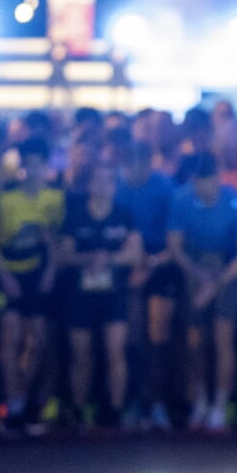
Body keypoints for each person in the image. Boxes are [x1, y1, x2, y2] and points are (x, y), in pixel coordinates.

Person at [169, 153, 237, 433]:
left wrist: (215, 284)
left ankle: (220, 403)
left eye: (209, 181)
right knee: (195, 340)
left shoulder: (234, 202)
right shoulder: (181, 200)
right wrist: (198, 276)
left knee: (223, 335)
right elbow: (175, 246)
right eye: (198, 182)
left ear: (217, 178)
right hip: (195, 267)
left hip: (230, 270)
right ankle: (200, 399)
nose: (203, 188)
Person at [0, 137, 65, 428]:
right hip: (9, 275)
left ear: (46, 168)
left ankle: (24, 396)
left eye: (37, 166)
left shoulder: (55, 199)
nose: (32, 171)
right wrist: (4, 275)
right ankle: (13, 404)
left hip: (38, 276)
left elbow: (55, 240)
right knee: (9, 338)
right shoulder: (5, 200)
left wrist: (51, 272)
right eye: (27, 166)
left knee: (39, 341)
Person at [58, 165, 143, 427]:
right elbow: (64, 255)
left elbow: (135, 254)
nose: (103, 186)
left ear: (114, 186)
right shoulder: (75, 215)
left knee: (115, 350)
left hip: (114, 294)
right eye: (98, 180)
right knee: (80, 354)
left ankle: (115, 411)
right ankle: (79, 409)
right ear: (91, 184)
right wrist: (87, 259)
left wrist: (108, 259)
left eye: (108, 181)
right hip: (80, 295)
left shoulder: (124, 215)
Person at [117, 140, 179, 431]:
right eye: (133, 163)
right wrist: (133, 265)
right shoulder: (116, 187)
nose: (138, 170)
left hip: (160, 266)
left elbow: (176, 238)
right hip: (126, 270)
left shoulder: (164, 188)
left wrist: (151, 264)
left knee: (158, 337)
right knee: (132, 338)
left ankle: (158, 404)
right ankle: (134, 401)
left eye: (144, 163)